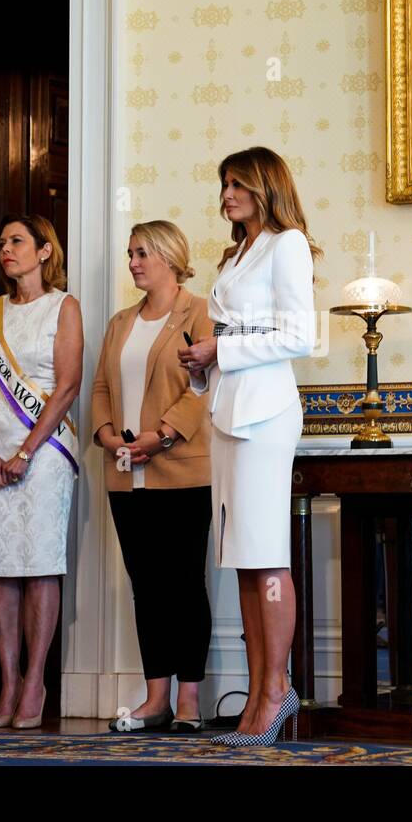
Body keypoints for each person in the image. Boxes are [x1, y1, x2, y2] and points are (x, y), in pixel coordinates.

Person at [178, 146, 321, 748]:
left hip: (265, 414)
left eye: (236, 185)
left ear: (265, 187)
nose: (226, 196)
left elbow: (300, 334)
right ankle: (260, 689)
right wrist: (201, 364)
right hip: (228, 409)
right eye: (224, 186)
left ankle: (274, 693)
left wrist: (223, 351)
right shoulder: (235, 252)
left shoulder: (286, 244)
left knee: (267, 556)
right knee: (242, 557)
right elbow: (226, 334)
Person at [92, 221, 213, 734]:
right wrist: (104, 434)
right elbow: (100, 386)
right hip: (125, 477)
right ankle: (155, 697)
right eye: (130, 253)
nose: (134, 262)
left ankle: (188, 702)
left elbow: (205, 387)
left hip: (182, 473)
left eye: (142, 253)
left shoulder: (199, 310)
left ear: (168, 256)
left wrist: (161, 435)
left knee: (184, 584)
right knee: (147, 587)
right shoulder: (121, 321)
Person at [0, 213, 82, 729]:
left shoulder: (64, 307)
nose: (6, 249)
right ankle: (7, 682)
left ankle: (35, 680)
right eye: (2, 241)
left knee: (38, 565)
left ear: (44, 251)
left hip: (45, 451)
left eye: (17, 241)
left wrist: (25, 453)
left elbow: (68, 386)